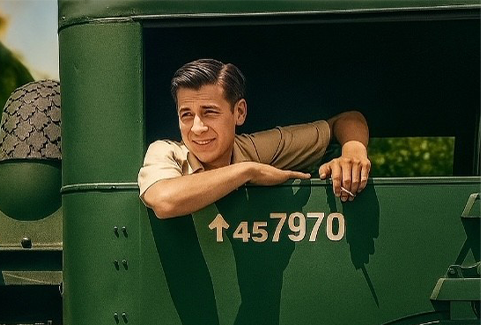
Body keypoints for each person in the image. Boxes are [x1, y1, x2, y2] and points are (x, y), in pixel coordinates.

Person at [138, 58, 371, 219]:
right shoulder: (165, 151)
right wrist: (249, 171)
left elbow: (348, 119)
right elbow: (164, 200)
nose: (197, 128)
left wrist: (353, 152)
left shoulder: (254, 147)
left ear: (239, 112)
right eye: (186, 115)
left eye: (209, 112)